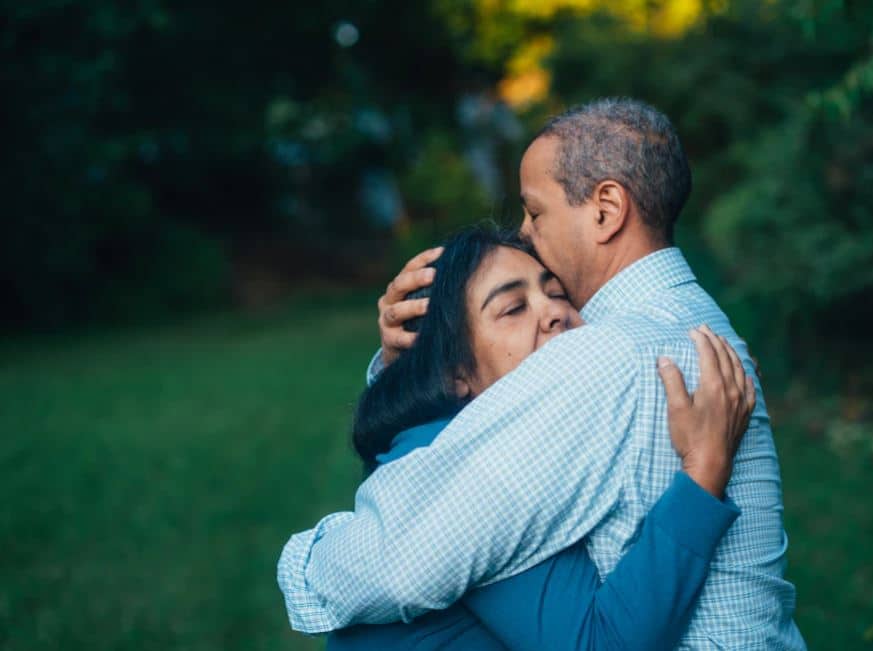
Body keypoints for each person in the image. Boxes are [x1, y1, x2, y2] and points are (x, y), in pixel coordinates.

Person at [280, 98, 805, 649]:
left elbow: (399, 562)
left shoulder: (603, 356)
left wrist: (308, 559)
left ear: (605, 209)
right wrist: (407, 360)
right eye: (513, 306)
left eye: (535, 212)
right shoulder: (701, 327)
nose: (526, 234)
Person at [309, 225, 753, 649]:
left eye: (556, 293)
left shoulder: (467, 435)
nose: (555, 312)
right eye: (513, 309)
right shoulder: (475, 475)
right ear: (455, 372)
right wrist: (703, 472)